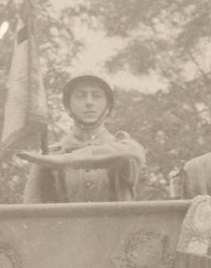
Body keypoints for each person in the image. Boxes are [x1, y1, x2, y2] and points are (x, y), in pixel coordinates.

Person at [17, 73, 145, 203]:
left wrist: (63, 160)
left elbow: (129, 154)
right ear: (68, 107)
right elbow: (32, 212)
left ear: (108, 107)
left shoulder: (126, 149)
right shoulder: (48, 156)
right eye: (81, 96)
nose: (89, 102)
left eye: (96, 96)